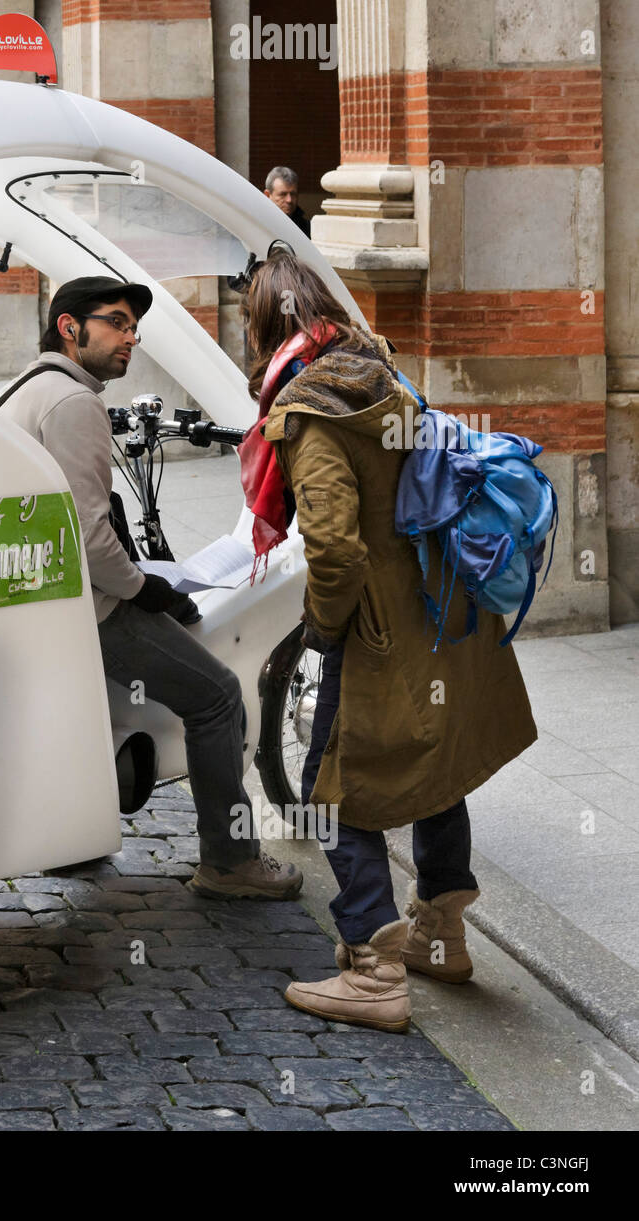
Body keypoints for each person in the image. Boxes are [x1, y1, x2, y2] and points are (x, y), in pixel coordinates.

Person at [235, 250, 537, 1031]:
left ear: (268, 330)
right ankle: (442, 934)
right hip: (443, 613)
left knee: (332, 783)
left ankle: (372, 964)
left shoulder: (310, 410)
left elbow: (334, 547)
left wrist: (325, 626)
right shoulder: (380, 374)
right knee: (434, 761)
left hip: (377, 628)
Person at [0, 276, 304, 901]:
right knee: (216, 695)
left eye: (134, 328)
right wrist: (147, 590)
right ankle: (229, 860)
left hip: (36, 602)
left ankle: (71, 834)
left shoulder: (25, 388)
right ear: (68, 327)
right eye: (115, 322)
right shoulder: (73, 404)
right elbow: (89, 537)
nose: (129, 338)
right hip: (86, 607)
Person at [264, 167, 311, 238]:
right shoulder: (257, 224)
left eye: (293, 194)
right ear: (267, 195)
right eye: (282, 194)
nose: (289, 200)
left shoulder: (306, 228)